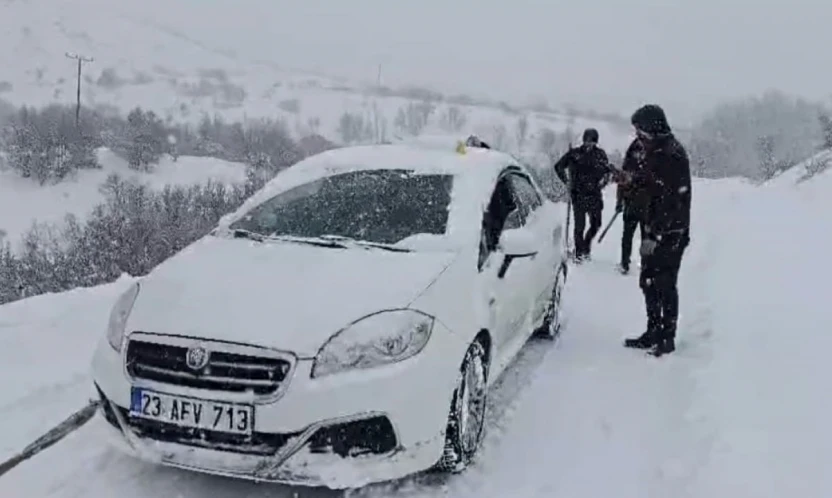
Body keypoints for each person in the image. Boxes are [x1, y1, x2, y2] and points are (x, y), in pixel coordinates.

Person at [620, 104, 692, 357]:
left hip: (670, 233)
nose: (638, 137)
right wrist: (630, 180)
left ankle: (667, 337)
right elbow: (650, 185)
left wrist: (655, 235)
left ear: (653, 128)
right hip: (654, 228)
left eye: (640, 131)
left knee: (665, 284)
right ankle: (653, 331)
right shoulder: (656, 151)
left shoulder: (671, 154)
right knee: (648, 282)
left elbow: (672, 201)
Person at [554, 128, 611, 262]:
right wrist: (566, 182)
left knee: (596, 224)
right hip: (578, 194)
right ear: (584, 140)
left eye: (592, 141)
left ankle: (586, 245)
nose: (589, 143)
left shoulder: (600, 155)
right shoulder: (574, 154)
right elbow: (558, 167)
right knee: (579, 226)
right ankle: (579, 253)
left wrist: (604, 182)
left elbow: (607, 172)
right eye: (587, 140)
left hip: (594, 195)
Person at [615, 138, 647, 274]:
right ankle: (630, 263)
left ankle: (628, 263)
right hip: (637, 205)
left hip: (640, 205)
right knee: (636, 236)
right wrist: (619, 202)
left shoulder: (631, 163)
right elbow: (621, 185)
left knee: (634, 236)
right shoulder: (650, 163)